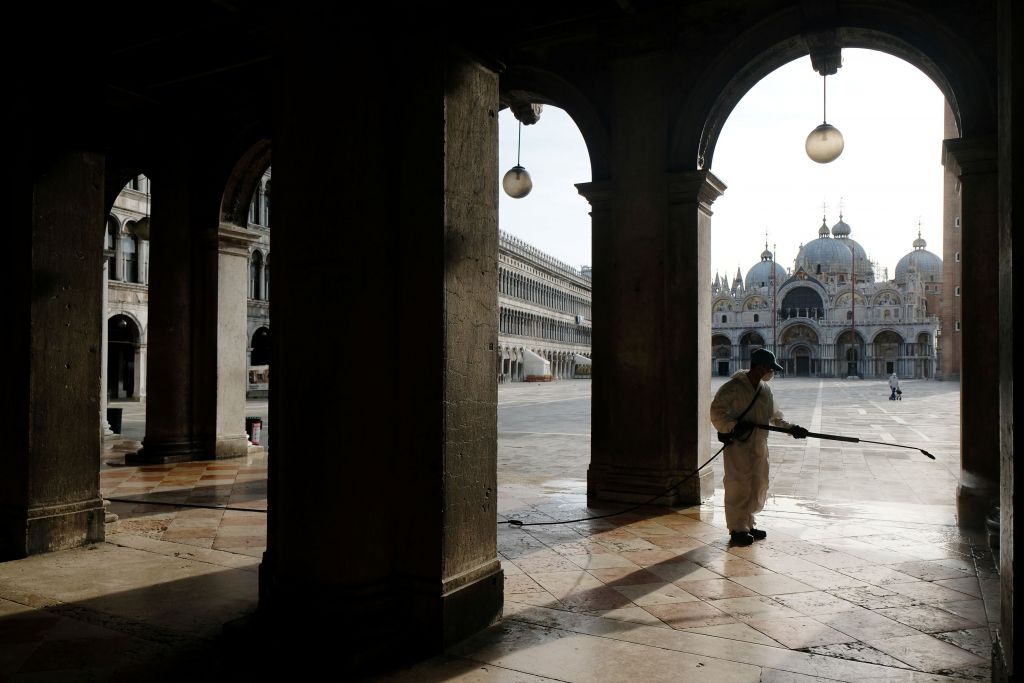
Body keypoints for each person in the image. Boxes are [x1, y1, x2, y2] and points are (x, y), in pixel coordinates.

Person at [710, 348, 807, 546]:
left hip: (759, 444)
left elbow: (775, 417)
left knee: (757, 483)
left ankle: (748, 524)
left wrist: (793, 429)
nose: (773, 373)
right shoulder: (734, 386)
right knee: (739, 485)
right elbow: (716, 412)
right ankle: (737, 529)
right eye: (771, 369)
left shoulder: (765, 390)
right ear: (761, 367)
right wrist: (734, 426)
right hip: (739, 445)